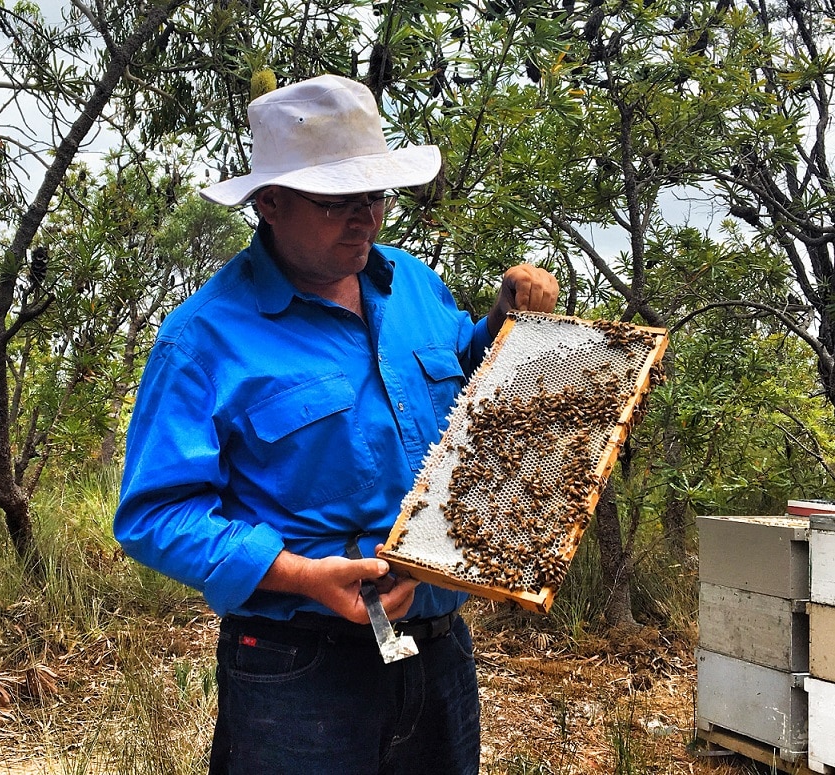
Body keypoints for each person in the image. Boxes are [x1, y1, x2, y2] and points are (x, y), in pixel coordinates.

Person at [113, 74, 559, 775]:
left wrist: (506, 320)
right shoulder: (201, 336)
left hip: (438, 651)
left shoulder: (409, 280)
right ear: (269, 203)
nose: (363, 218)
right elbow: (155, 515)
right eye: (334, 202)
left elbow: (460, 369)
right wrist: (300, 573)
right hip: (300, 670)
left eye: (373, 196)